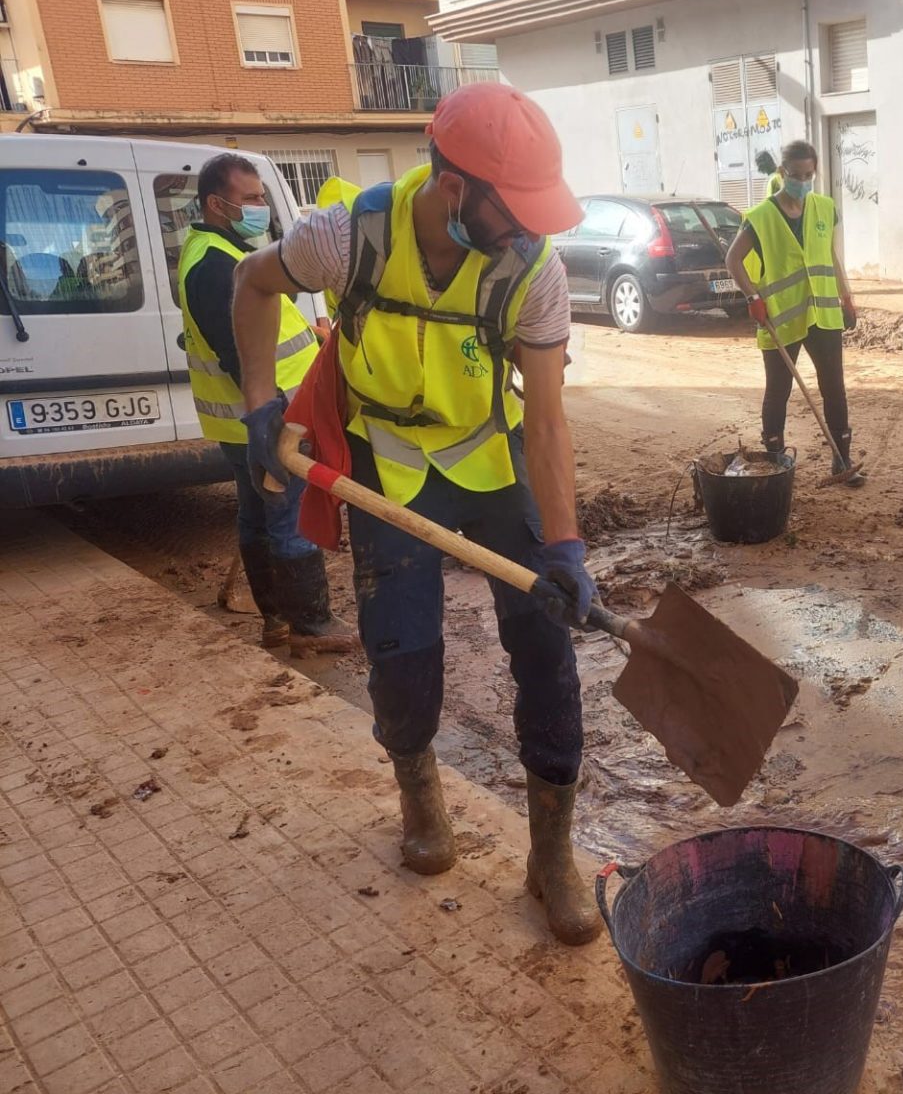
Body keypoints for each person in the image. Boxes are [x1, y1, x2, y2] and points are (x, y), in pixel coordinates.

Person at [230, 83, 602, 944]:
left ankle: (551, 854)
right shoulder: (348, 236)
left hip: (490, 461)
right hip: (389, 470)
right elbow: (254, 284)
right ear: (453, 190)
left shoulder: (531, 269)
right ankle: (419, 794)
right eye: (516, 214)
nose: (530, 233)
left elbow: (545, 420)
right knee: (401, 654)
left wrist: (569, 544)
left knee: (546, 648)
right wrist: (259, 403)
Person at [177, 153, 355, 655]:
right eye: (252, 198)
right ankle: (309, 623)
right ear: (217, 204)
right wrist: (270, 416)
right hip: (267, 420)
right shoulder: (215, 265)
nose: (262, 207)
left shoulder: (215, 250)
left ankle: (276, 619)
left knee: (256, 516)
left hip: (244, 421)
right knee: (287, 517)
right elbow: (238, 353)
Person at [725, 140, 861, 484]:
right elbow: (733, 260)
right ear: (783, 173)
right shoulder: (761, 217)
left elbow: (830, 255)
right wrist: (752, 297)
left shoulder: (824, 208)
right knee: (778, 390)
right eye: (797, 175)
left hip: (822, 314)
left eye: (809, 174)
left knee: (834, 387)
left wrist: (846, 294)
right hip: (779, 318)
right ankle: (774, 462)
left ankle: (842, 461)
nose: (803, 181)